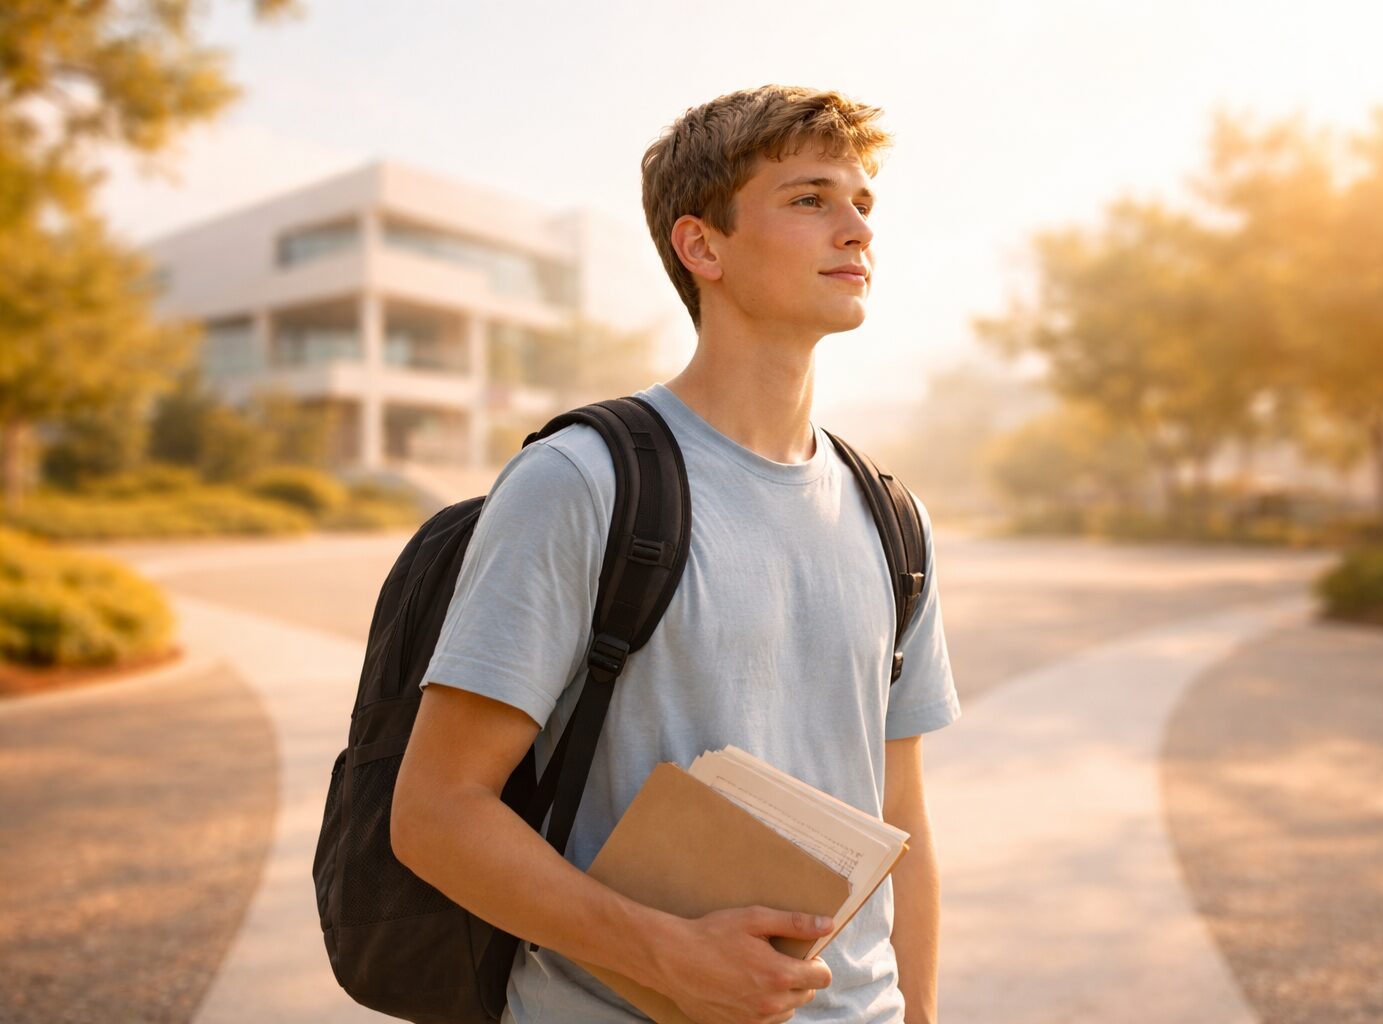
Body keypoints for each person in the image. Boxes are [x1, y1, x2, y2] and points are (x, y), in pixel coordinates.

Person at [391, 84, 961, 1024]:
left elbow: (903, 824)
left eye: (864, 203)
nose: (856, 228)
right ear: (703, 247)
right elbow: (436, 813)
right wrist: (670, 957)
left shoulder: (894, 517)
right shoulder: (579, 481)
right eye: (811, 198)